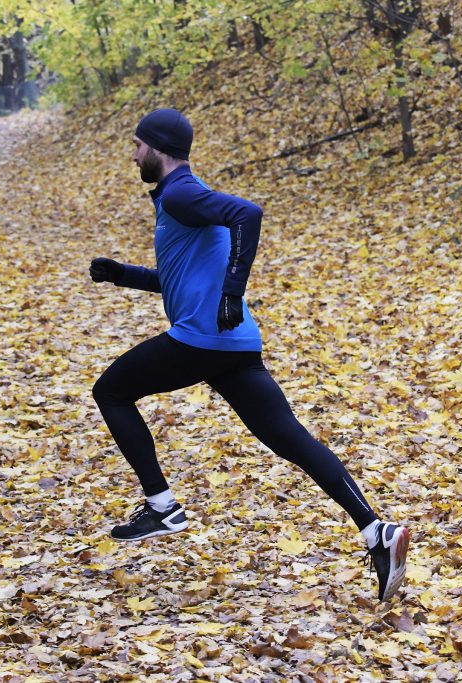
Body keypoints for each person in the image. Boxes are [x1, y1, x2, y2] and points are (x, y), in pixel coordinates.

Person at [90, 108, 410, 601]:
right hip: (234, 343)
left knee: (110, 390)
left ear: (158, 149)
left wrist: (232, 292)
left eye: (137, 145)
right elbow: (177, 279)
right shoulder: (183, 200)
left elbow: (249, 214)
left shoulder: (180, 192)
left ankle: (161, 506)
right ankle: (376, 532)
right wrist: (122, 275)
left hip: (201, 339)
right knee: (290, 439)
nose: (132, 154)